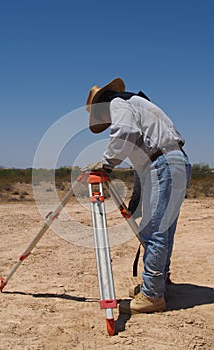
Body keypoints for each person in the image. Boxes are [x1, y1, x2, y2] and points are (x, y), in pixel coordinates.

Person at [84, 78, 191, 314]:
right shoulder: (136, 103)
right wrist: (137, 197)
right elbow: (144, 158)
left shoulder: (117, 103)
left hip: (165, 165)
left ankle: (153, 295)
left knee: (154, 231)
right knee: (162, 230)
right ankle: (157, 285)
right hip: (170, 164)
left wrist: (107, 163)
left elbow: (126, 132)